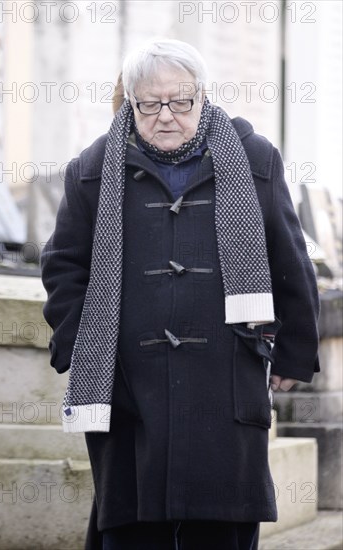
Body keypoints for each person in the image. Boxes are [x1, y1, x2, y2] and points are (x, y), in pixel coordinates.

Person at [40, 38, 320, 550]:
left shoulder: (255, 159)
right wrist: (81, 347)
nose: (166, 115)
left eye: (181, 101)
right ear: (130, 104)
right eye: (149, 104)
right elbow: (63, 265)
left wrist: (295, 352)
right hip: (126, 377)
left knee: (222, 521)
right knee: (132, 521)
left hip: (228, 371)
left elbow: (288, 257)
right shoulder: (93, 168)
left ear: (202, 97)